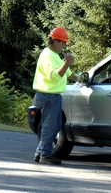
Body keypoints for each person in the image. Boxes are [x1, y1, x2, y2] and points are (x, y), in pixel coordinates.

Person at [32, 27, 77, 165]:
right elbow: (55, 77)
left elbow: (69, 74)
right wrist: (67, 62)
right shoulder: (47, 56)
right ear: (56, 41)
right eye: (63, 42)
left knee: (56, 125)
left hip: (52, 97)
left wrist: (83, 79)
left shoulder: (54, 56)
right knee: (49, 126)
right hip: (48, 96)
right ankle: (45, 155)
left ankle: (40, 152)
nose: (64, 45)